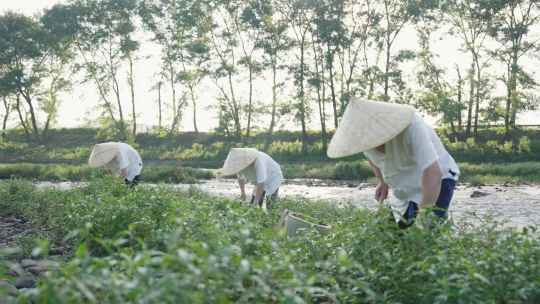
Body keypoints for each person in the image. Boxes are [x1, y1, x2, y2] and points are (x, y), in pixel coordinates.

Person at [327, 98, 459, 229]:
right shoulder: (363, 139)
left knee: (426, 234)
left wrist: (423, 217)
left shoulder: (412, 125)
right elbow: (372, 159)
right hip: (403, 185)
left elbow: (433, 172)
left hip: (438, 179)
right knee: (393, 235)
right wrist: (382, 181)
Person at [219, 148, 283, 209]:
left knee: (269, 205)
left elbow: (261, 184)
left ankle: (273, 216)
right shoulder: (239, 164)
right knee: (253, 202)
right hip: (259, 180)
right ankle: (258, 214)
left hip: (273, 177)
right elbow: (240, 178)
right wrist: (243, 193)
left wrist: (255, 203)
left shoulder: (259, 161)